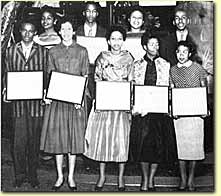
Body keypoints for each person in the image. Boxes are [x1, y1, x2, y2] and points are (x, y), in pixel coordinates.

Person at [40, 17, 90, 191]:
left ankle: (70, 176)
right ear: (59, 31)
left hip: (74, 103)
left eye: (69, 29)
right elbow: (50, 75)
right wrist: (48, 94)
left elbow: (85, 76)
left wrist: (81, 98)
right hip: (58, 102)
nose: (66, 32)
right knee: (58, 140)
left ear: (73, 31)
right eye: (63, 29)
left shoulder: (82, 51)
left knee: (72, 140)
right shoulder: (53, 51)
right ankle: (60, 176)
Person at [84, 26, 134, 191]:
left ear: (123, 40)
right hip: (105, 103)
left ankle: (121, 177)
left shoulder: (128, 58)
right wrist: (99, 100)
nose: (116, 42)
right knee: (103, 139)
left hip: (121, 106)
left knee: (121, 140)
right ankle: (102, 175)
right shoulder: (102, 57)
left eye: (119, 39)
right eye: (113, 39)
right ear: (108, 41)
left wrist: (130, 102)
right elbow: (97, 79)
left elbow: (132, 83)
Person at [129, 31, 177, 191]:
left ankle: (151, 179)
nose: (155, 47)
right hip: (142, 112)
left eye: (157, 44)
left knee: (157, 146)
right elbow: (132, 88)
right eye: (152, 44)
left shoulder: (165, 64)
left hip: (159, 111)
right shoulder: (136, 64)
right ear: (144, 46)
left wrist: (169, 105)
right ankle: (144, 179)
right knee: (143, 146)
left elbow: (169, 88)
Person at [2, 18, 48, 188]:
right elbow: (7, 74)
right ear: (19, 32)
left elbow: (46, 75)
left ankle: (33, 174)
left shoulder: (43, 52)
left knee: (34, 141)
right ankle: (19, 175)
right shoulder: (10, 51)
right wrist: (6, 90)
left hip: (36, 105)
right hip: (18, 105)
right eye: (24, 30)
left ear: (35, 32)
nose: (27, 34)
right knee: (18, 142)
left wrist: (45, 91)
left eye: (31, 31)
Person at [170, 41, 208, 191]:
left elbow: (203, 90)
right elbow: (171, 92)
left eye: (184, 52)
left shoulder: (198, 69)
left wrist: (205, 108)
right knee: (181, 149)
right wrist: (173, 109)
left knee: (195, 149)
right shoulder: (172, 70)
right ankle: (183, 178)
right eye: (178, 52)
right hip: (180, 116)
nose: (181, 55)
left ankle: (191, 178)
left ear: (189, 53)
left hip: (196, 115)